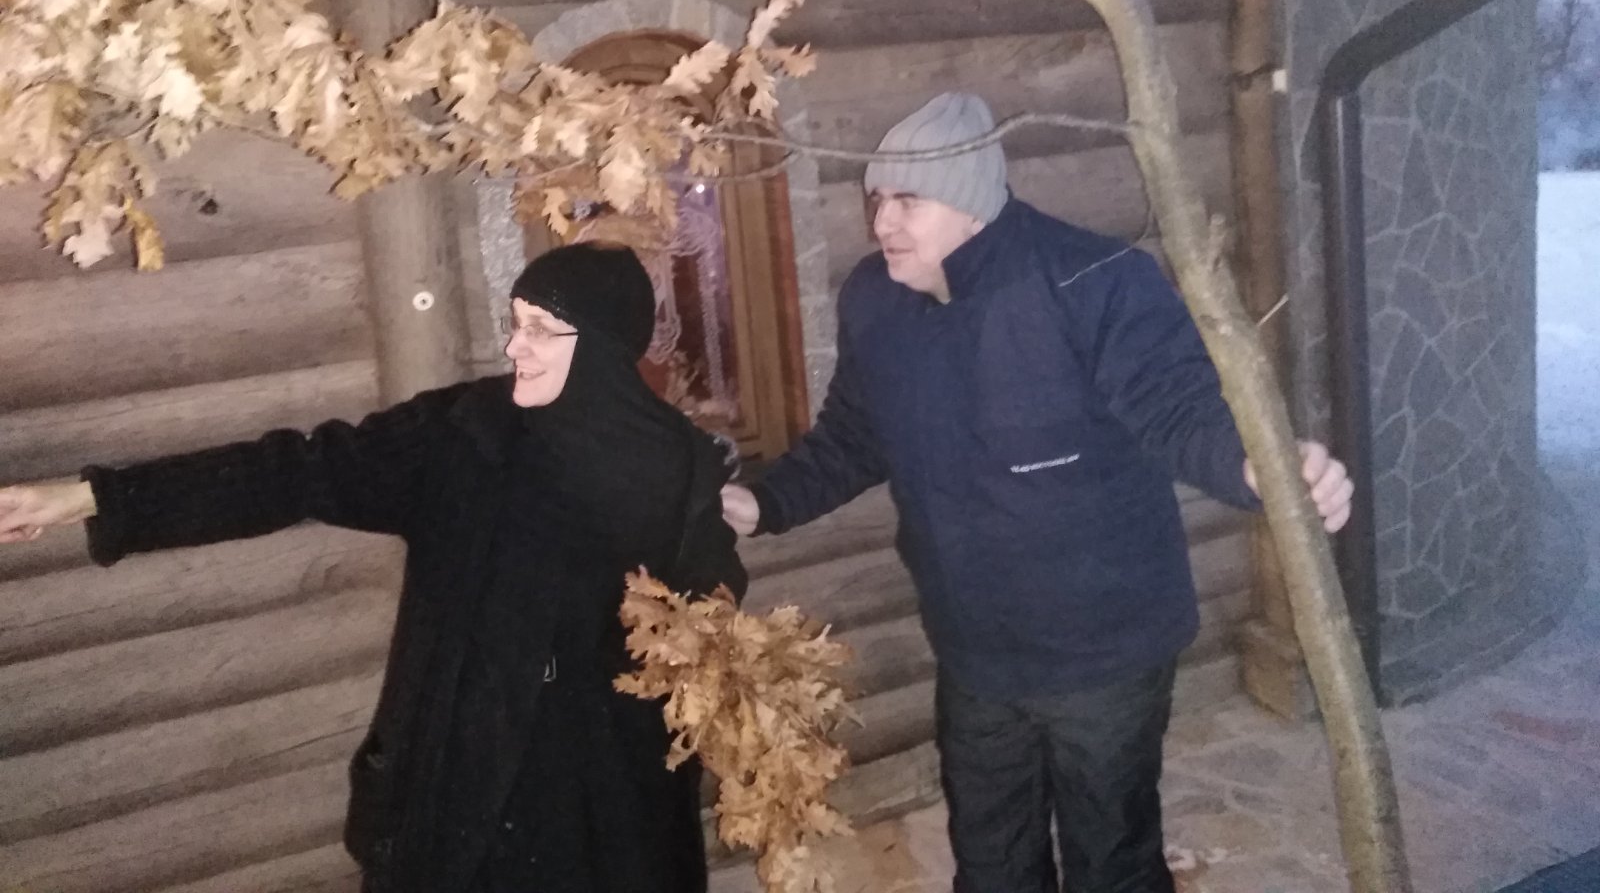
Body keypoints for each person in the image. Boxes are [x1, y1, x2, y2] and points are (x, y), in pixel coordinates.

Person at [720, 92, 1353, 893]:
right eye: (876, 198)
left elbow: (1178, 408)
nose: (882, 222)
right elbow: (853, 434)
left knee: (1111, 863)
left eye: (909, 200)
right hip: (977, 650)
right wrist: (766, 502)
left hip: (1105, 650)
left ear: (972, 203)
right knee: (991, 863)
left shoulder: (1093, 282)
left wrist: (1260, 468)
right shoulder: (876, 302)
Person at [0, 242, 745, 893]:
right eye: (515, 322)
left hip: (607, 810)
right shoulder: (463, 438)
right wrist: (96, 498)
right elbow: (294, 471)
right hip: (461, 788)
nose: (514, 345)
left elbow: (710, 626)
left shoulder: (678, 469)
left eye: (540, 330)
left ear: (604, 349)